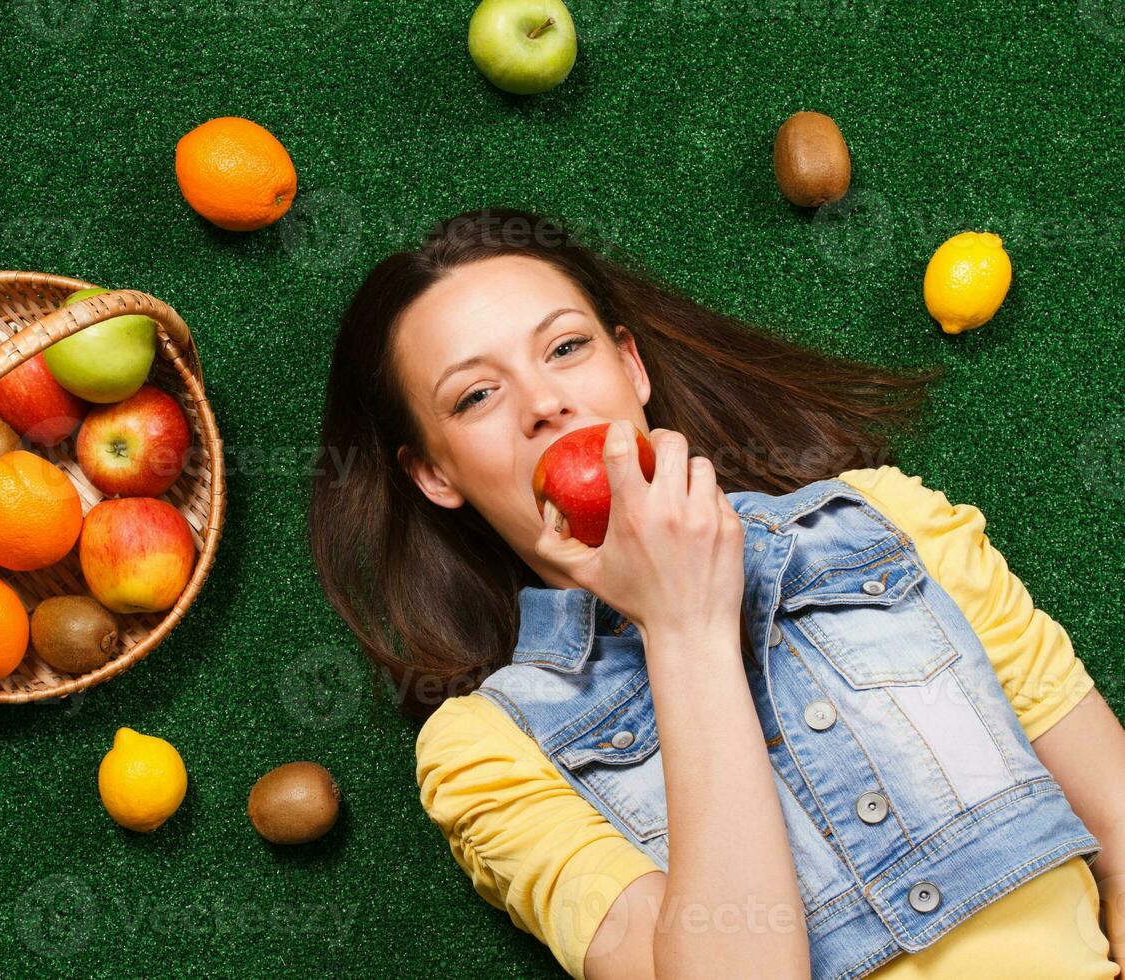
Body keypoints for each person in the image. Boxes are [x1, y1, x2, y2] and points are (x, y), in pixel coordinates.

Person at [307, 207, 1125, 978]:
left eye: (564, 349)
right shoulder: (484, 753)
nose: (545, 403)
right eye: (476, 396)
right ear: (434, 474)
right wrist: (682, 628)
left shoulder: (890, 520)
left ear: (630, 366)